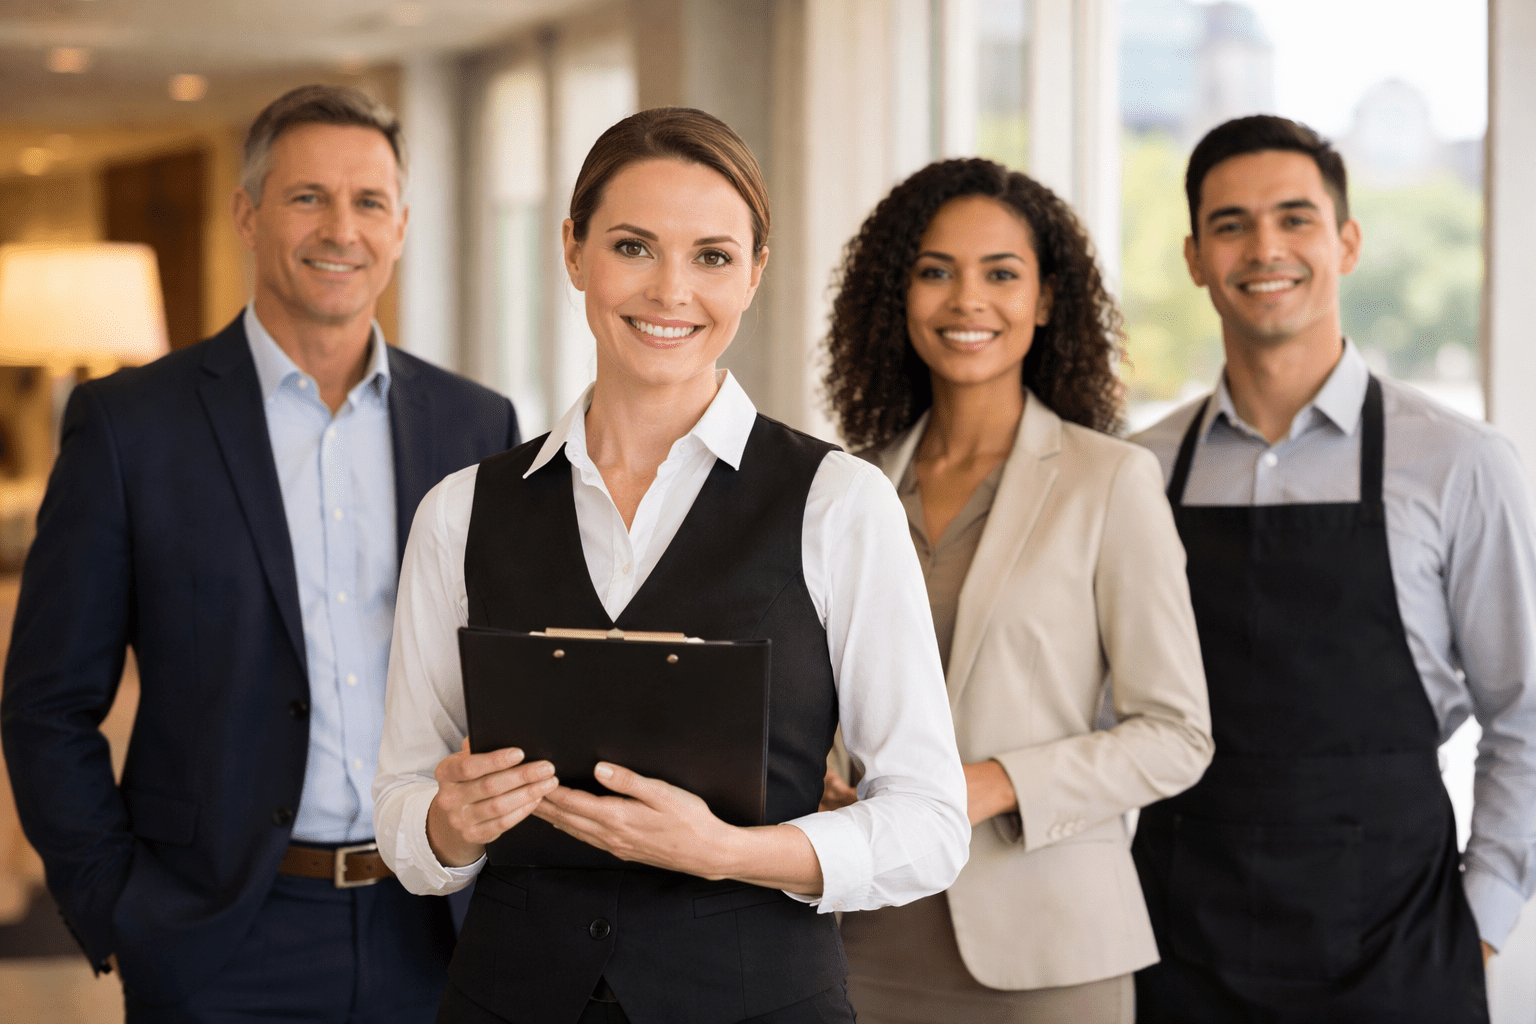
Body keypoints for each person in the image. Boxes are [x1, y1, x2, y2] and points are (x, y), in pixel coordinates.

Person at [372, 106, 970, 1024]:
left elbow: (931, 824)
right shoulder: (460, 511)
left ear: (755, 275)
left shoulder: (838, 502)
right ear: (573, 252)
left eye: (713, 257)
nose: (670, 291)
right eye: (633, 246)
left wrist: (731, 851)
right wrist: (448, 824)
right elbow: (406, 804)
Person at [1, 84, 520, 1022]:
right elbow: (47, 704)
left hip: (436, 923)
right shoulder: (130, 429)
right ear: (247, 214)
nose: (341, 229)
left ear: (400, 227)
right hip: (219, 935)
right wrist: (117, 908)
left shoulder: (477, 426)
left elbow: (509, 670)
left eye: (368, 203)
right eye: (307, 196)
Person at [1130, 114, 1536, 1023]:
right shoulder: (1137, 471)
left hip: (1402, 948)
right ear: (1195, 257)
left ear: (1345, 243)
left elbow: (1525, 713)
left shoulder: (1460, 463)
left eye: (1295, 218)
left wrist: (1481, 924)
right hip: (1177, 944)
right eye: (1231, 224)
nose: (1264, 246)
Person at [818, 158, 1214, 1024]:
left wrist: (994, 782)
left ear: (1044, 301)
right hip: (857, 935)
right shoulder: (848, 489)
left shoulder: (1111, 482)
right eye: (935, 272)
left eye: (1001, 273)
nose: (968, 300)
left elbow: (1177, 736)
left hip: (1048, 952)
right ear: (899, 297)